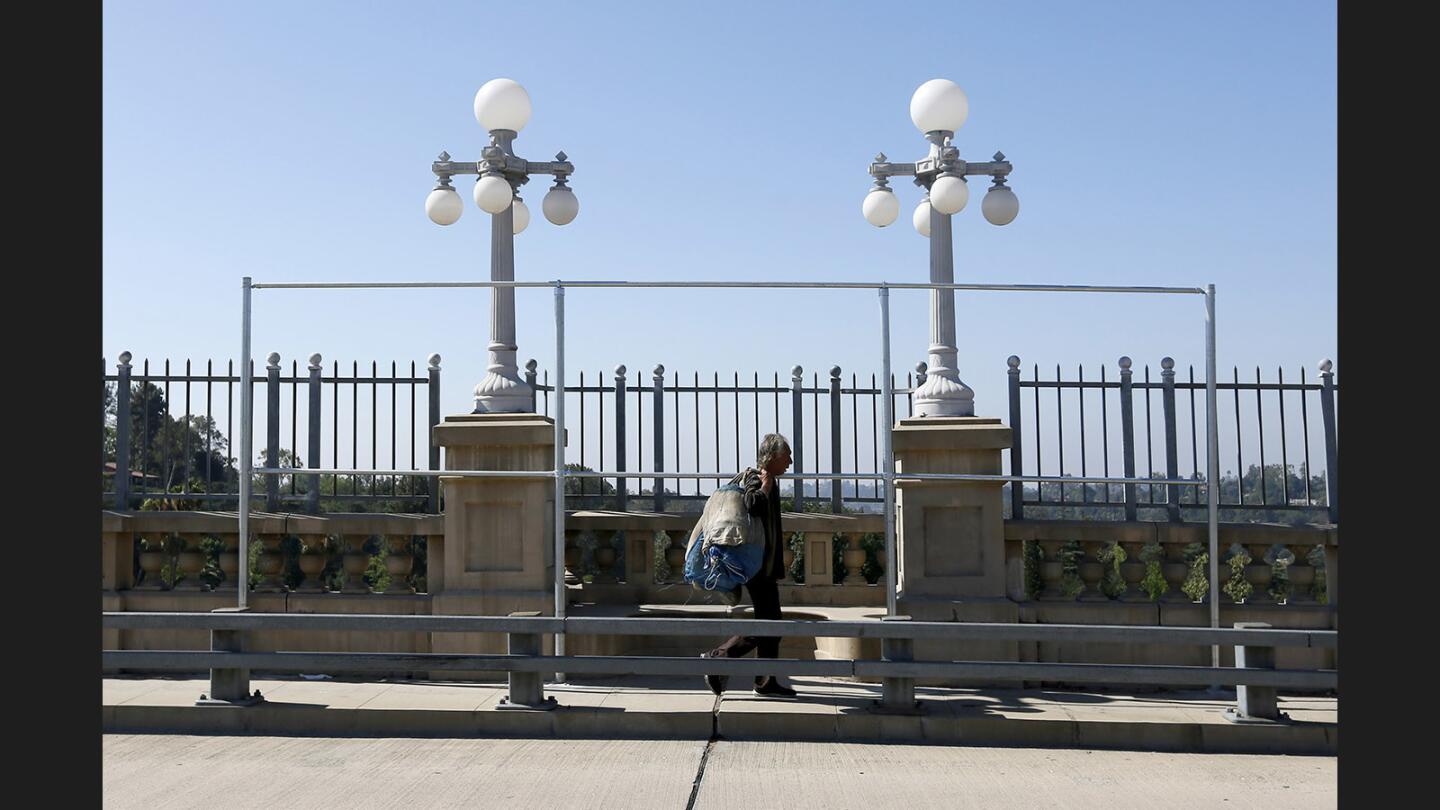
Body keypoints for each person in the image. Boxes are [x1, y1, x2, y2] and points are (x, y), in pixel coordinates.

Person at [699, 433, 797, 698]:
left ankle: (764, 681)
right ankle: (719, 656)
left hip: (764, 567)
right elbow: (752, 505)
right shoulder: (758, 478)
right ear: (773, 457)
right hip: (757, 569)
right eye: (786, 455)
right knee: (769, 623)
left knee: (770, 623)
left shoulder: (771, 479)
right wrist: (765, 486)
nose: (790, 460)